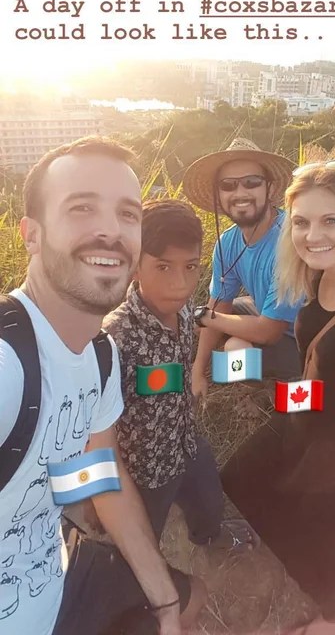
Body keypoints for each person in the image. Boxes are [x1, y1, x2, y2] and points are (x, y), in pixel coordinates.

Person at [0, 138, 206, 635]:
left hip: (59, 579)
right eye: (82, 208)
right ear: (31, 234)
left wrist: (163, 602)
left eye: (127, 214)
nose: (111, 231)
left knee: (190, 597)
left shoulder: (100, 358)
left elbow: (98, 475)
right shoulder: (8, 365)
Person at [221, 160, 335, 635]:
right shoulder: (318, 279)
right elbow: (317, 364)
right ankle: (329, 575)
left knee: (325, 534)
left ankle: (334, 613)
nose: (313, 235)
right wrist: (286, 409)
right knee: (238, 476)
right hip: (305, 412)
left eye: (331, 220)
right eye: (301, 222)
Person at [102, 199, 257, 550]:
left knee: (209, 502)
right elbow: (95, 429)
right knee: (142, 539)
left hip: (188, 442)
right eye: (163, 267)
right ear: (134, 265)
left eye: (190, 267)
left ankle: (212, 538)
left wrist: (242, 370)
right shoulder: (115, 338)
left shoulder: (185, 311)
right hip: (146, 471)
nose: (180, 284)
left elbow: (180, 369)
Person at [181, 137, 302, 399]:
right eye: (228, 185)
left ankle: (269, 389)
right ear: (219, 195)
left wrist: (207, 318)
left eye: (252, 182)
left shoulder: (290, 241)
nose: (240, 193)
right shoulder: (227, 242)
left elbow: (269, 332)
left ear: (270, 188)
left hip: (302, 339)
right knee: (204, 321)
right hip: (263, 313)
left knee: (233, 350)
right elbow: (219, 305)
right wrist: (197, 371)